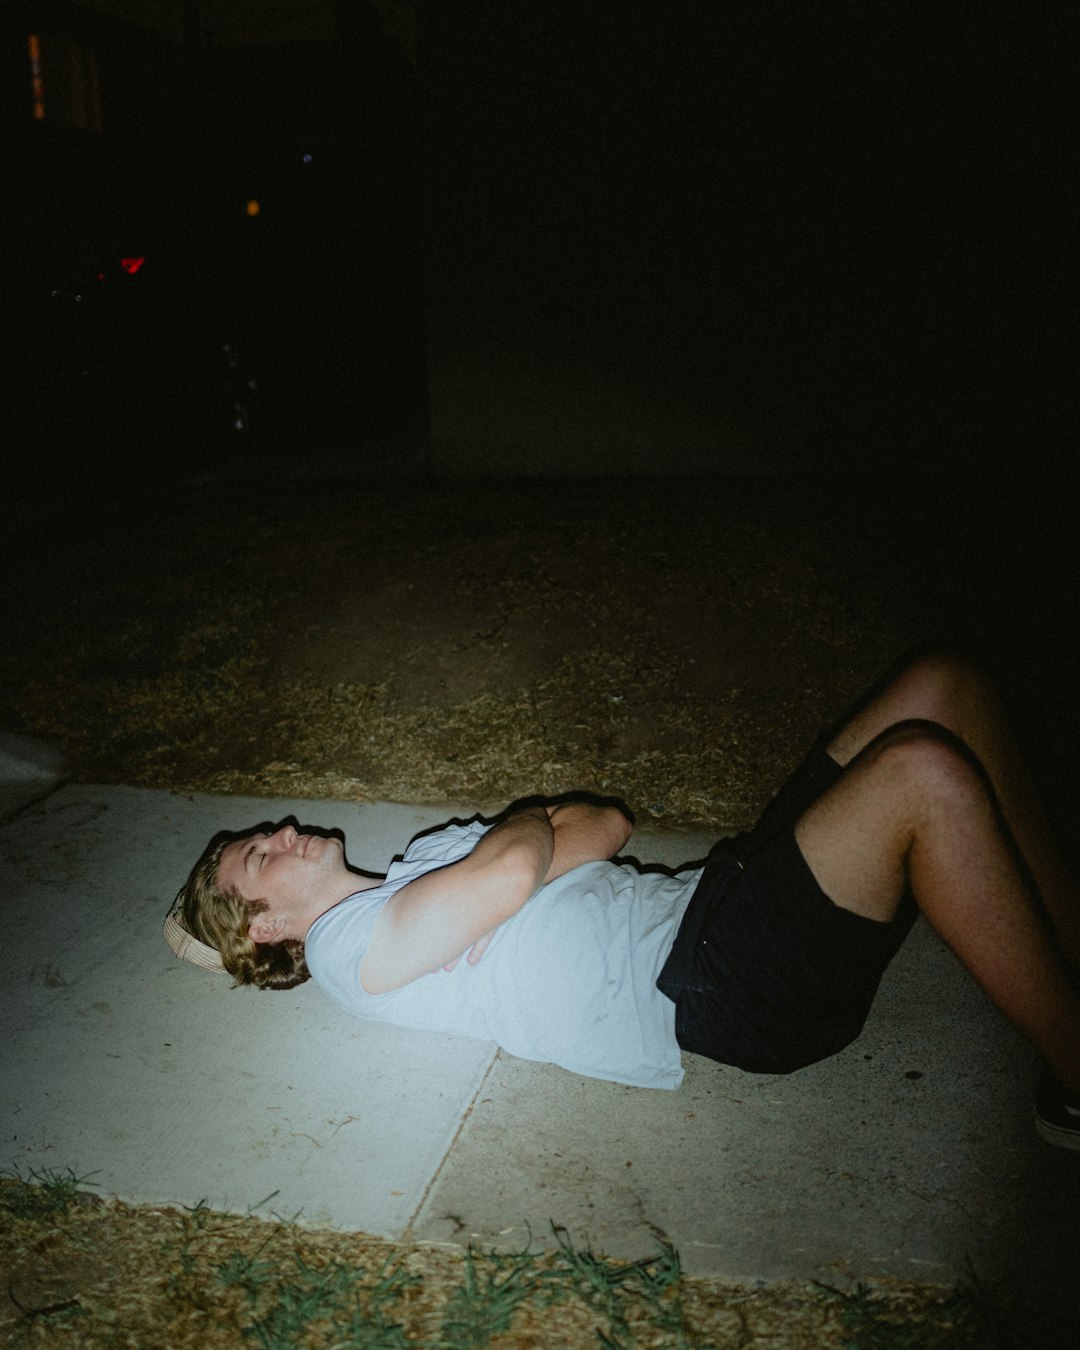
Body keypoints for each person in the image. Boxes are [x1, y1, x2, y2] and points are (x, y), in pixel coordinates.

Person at [169, 650, 1080, 1148]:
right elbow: (520, 865)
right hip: (719, 983)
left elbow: (607, 823)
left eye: (267, 833)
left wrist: (515, 852)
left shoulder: (422, 858)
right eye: (262, 854)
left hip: (718, 899)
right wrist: (523, 838)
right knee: (924, 771)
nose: (283, 830)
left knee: (943, 688)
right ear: (268, 928)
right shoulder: (341, 953)